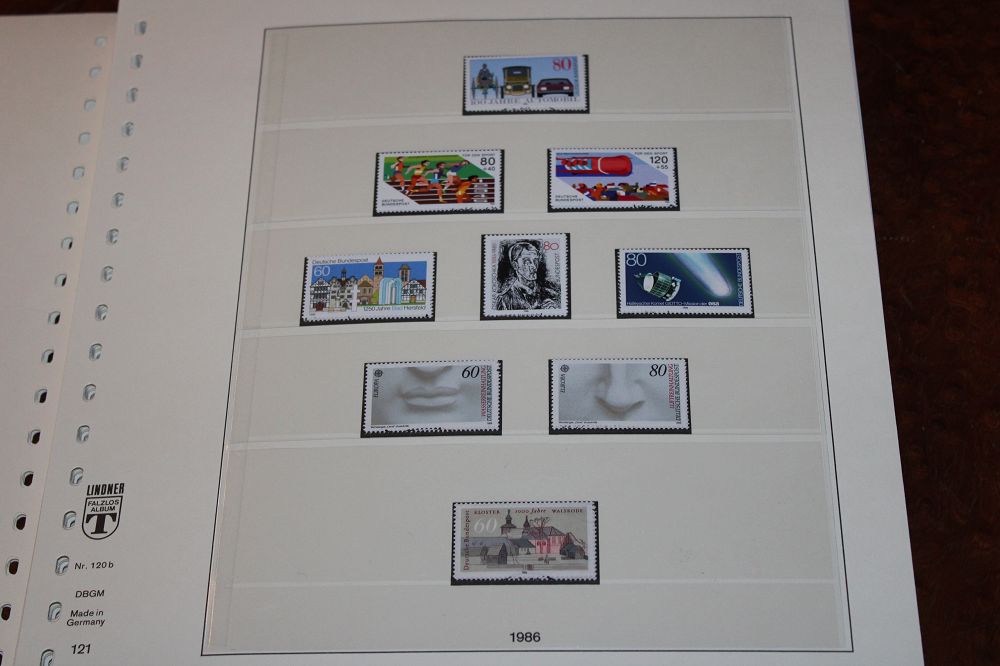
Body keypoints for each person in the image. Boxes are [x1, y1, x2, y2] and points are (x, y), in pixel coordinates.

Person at [494, 240, 561, 311]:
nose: (534, 266)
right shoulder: (504, 300)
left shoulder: (551, 294)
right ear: (515, 265)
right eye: (527, 261)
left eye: (535, 260)